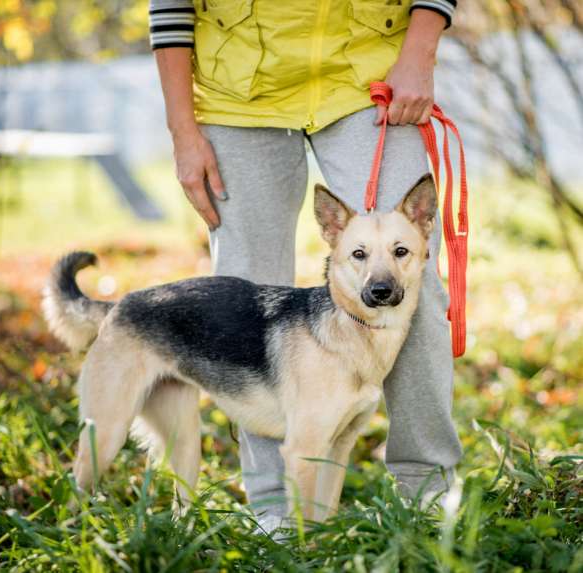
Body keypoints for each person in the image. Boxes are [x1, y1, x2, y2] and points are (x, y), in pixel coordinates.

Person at [149, 0, 462, 531]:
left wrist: (420, 53)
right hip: (239, 92)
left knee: (410, 278)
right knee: (247, 302)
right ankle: (277, 507)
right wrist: (183, 129)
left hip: (368, 76)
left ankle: (426, 494)